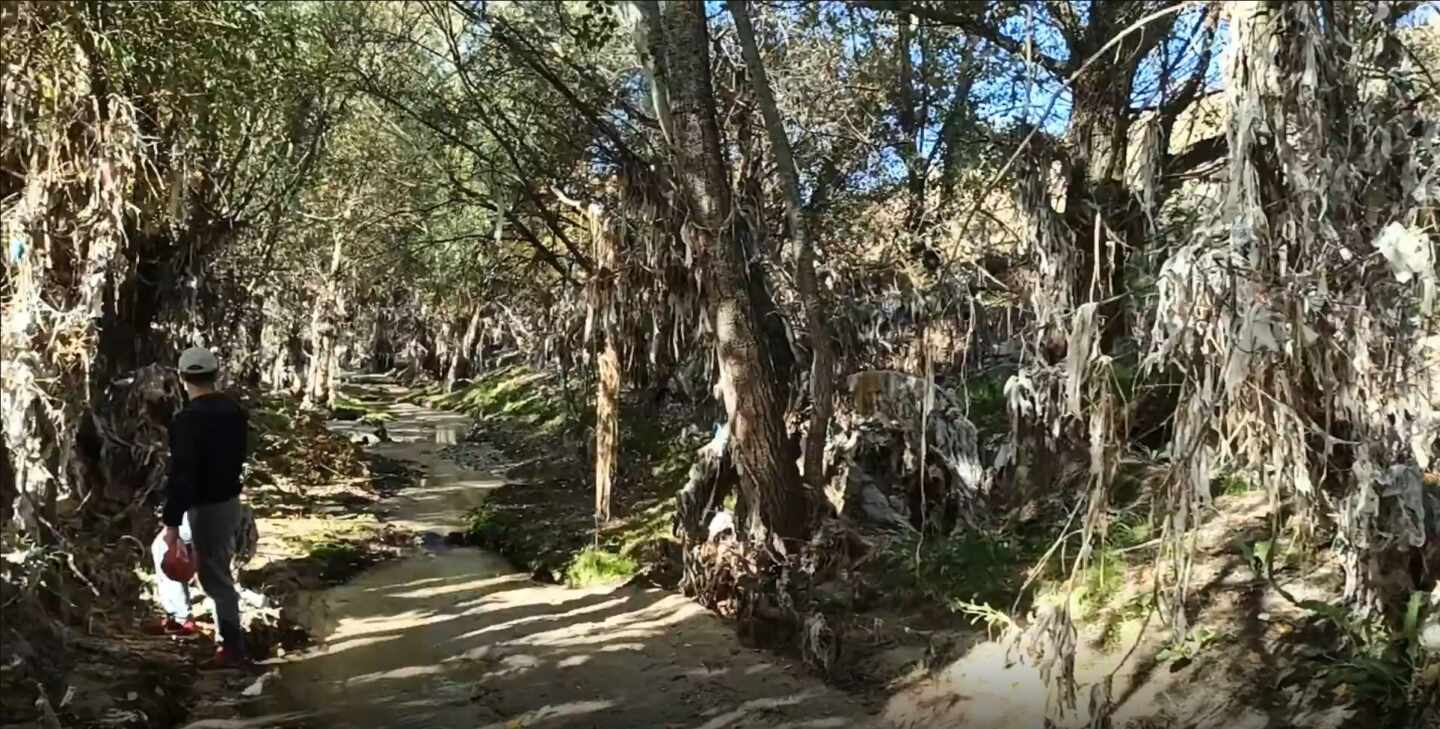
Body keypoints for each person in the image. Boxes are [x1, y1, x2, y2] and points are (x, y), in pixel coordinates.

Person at [160, 346, 253, 670]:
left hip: (204, 505)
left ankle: (232, 648)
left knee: (214, 576)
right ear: (216, 375)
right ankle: (181, 618)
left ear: (183, 378)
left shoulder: (186, 420)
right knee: (165, 550)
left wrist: (171, 520)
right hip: (227, 500)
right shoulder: (235, 412)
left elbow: (184, 473)